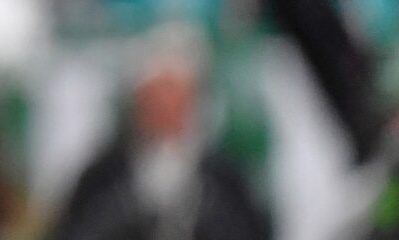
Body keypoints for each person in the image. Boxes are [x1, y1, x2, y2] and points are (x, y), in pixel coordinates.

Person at [47, 25, 272, 240]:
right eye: (154, 100)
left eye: (174, 100)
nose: (163, 111)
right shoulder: (103, 177)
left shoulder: (225, 179)